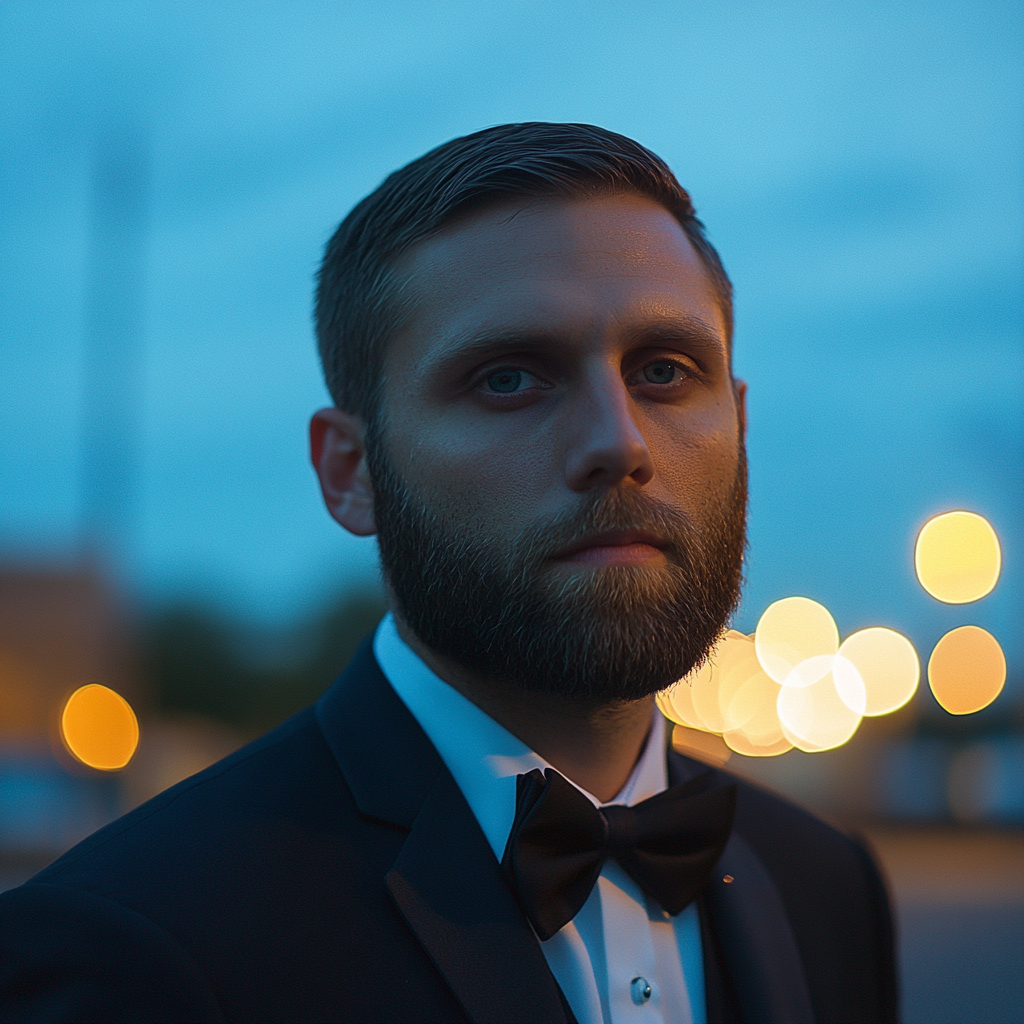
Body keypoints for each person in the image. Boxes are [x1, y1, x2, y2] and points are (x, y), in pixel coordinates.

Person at [0, 123, 896, 1024]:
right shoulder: (127, 944)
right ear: (351, 471)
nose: (619, 442)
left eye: (664, 371)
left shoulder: (829, 886)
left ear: (739, 423)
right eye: (508, 379)